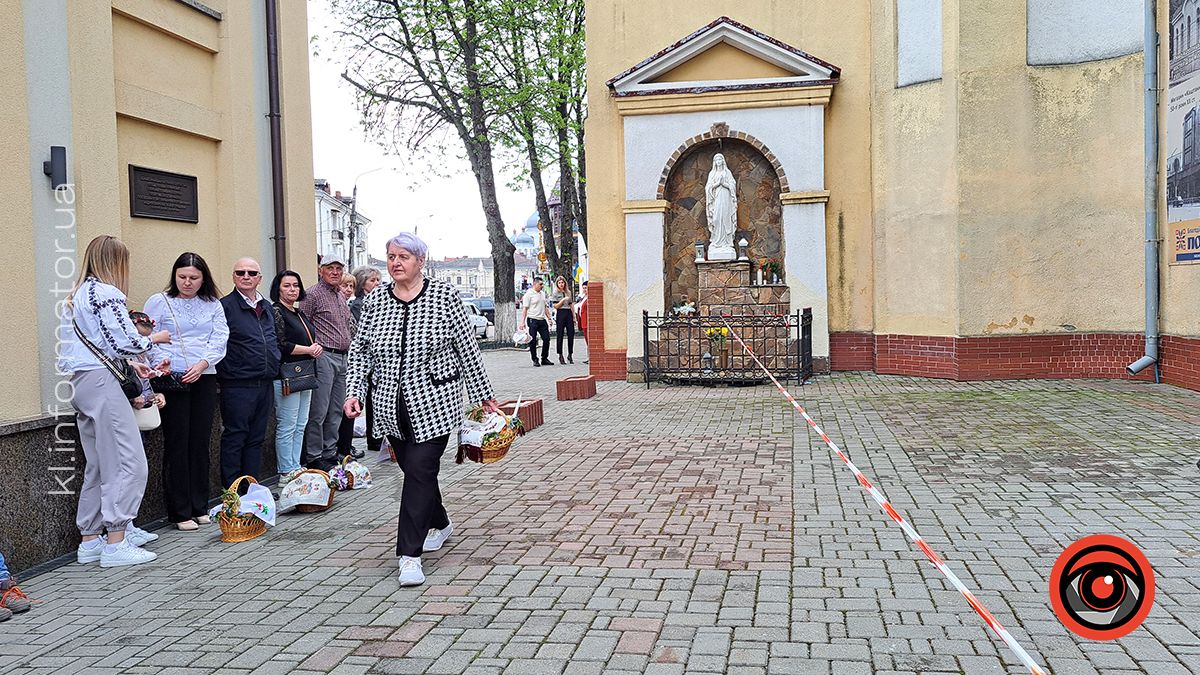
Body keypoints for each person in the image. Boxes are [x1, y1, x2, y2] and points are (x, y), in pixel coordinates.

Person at [344, 232, 498, 588]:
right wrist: (354, 392)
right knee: (418, 473)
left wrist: (483, 395)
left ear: (420, 261)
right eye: (391, 256)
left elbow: (466, 348)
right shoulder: (376, 301)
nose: (395, 263)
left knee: (418, 471)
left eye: (403, 257)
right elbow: (361, 351)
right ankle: (440, 523)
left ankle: (409, 556)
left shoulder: (444, 296)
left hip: (435, 402)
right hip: (390, 404)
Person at [58, 235, 171, 568]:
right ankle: (117, 539)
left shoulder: (77, 295)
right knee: (127, 461)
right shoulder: (107, 294)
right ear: (116, 262)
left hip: (83, 382)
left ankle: (91, 539)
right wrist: (155, 338)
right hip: (102, 384)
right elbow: (124, 340)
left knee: (99, 464)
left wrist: (131, 365)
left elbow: (94, 347)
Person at [144, 252, 229, 531]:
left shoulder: (213, 304)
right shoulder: (160, 301)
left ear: (203, 279)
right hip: (172, 378)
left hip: (204, 375)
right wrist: (162, 363)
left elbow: (219, 337)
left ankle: (199, 505)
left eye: (194, 277)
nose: (187, 282)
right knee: (178, 442)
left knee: (201, 441)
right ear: (174, 276)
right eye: (182, 277)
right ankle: (180, 511)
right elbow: (148, 338)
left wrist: (203, 363)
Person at [216, 258, 280, 487]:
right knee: (235, 436)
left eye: (252, 273)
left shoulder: (267, 306)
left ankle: (252, 488)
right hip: (238, 384)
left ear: (259, 279)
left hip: (265, 382)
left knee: (256, 439)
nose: (246, 276)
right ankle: (232, 491)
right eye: (240, 272)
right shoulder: (224, 306)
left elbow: (273, 337)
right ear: (233, 277)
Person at [300, 253, 352, 471]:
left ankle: (330, 452)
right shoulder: (312, 294)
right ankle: (314, 455)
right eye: (330, 268)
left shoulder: (340, 295)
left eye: (339, 268)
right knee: (319, 411)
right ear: (321, 270)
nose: (335, 272)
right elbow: (302, 324)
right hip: (323, 357)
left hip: (343, 357)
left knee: (336, 410)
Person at [270, 270, 322, 478]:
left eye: (296, 285)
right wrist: (309, 349)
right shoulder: (276, 311)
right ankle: (285, 471)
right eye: (287, 285)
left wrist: (315, 347)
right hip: (286, 375)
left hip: (305, 373)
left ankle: (295, 466)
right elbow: (280, 344)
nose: (292, 289)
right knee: (288, 424)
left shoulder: (298, 312)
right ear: (278, 289)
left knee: (301, 424)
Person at [350, 266, 384, 458]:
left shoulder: (381, 301)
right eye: (372, 280)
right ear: (363, 284)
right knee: (371, 398)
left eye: (378, 280)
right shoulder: (359, 304)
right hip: (368, 357)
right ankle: (374, 438)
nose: (377, 283)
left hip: (379, 359)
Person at [335, 273, 363, 459]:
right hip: (338, 358)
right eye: (344, 285)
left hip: (350, 359)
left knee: (350, 405)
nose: (348, 290)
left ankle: (346, 446)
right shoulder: (343, 307)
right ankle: (341, 447)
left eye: (351, 286)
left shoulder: (347, 307)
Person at [521, 277, 553, 366]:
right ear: (535, 284)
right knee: (533, 340)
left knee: (546, 339)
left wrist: (549, 318)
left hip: (542, 320)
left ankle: (544, 358)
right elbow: (525, 309)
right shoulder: (528, 294)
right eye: (540, 284)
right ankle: (535, 359)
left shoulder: (542, 294)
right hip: (532, 320)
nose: (542, 286)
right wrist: (522, 322)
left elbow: (545, 307)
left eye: (542, 284)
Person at [550, 275, 576, 364]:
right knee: (560, 335)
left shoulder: (568, 292)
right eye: (559, 283)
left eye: (562, 282)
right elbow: (555, 306)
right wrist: (563, 300)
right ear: (557, 284)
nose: (561, 284)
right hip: (561, 313)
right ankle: (560, 354)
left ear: (565, 283)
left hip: (568, 313)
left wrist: (574, 316)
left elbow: (571, 304)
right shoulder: (555, 293)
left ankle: (570, 354)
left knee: (571, 334)